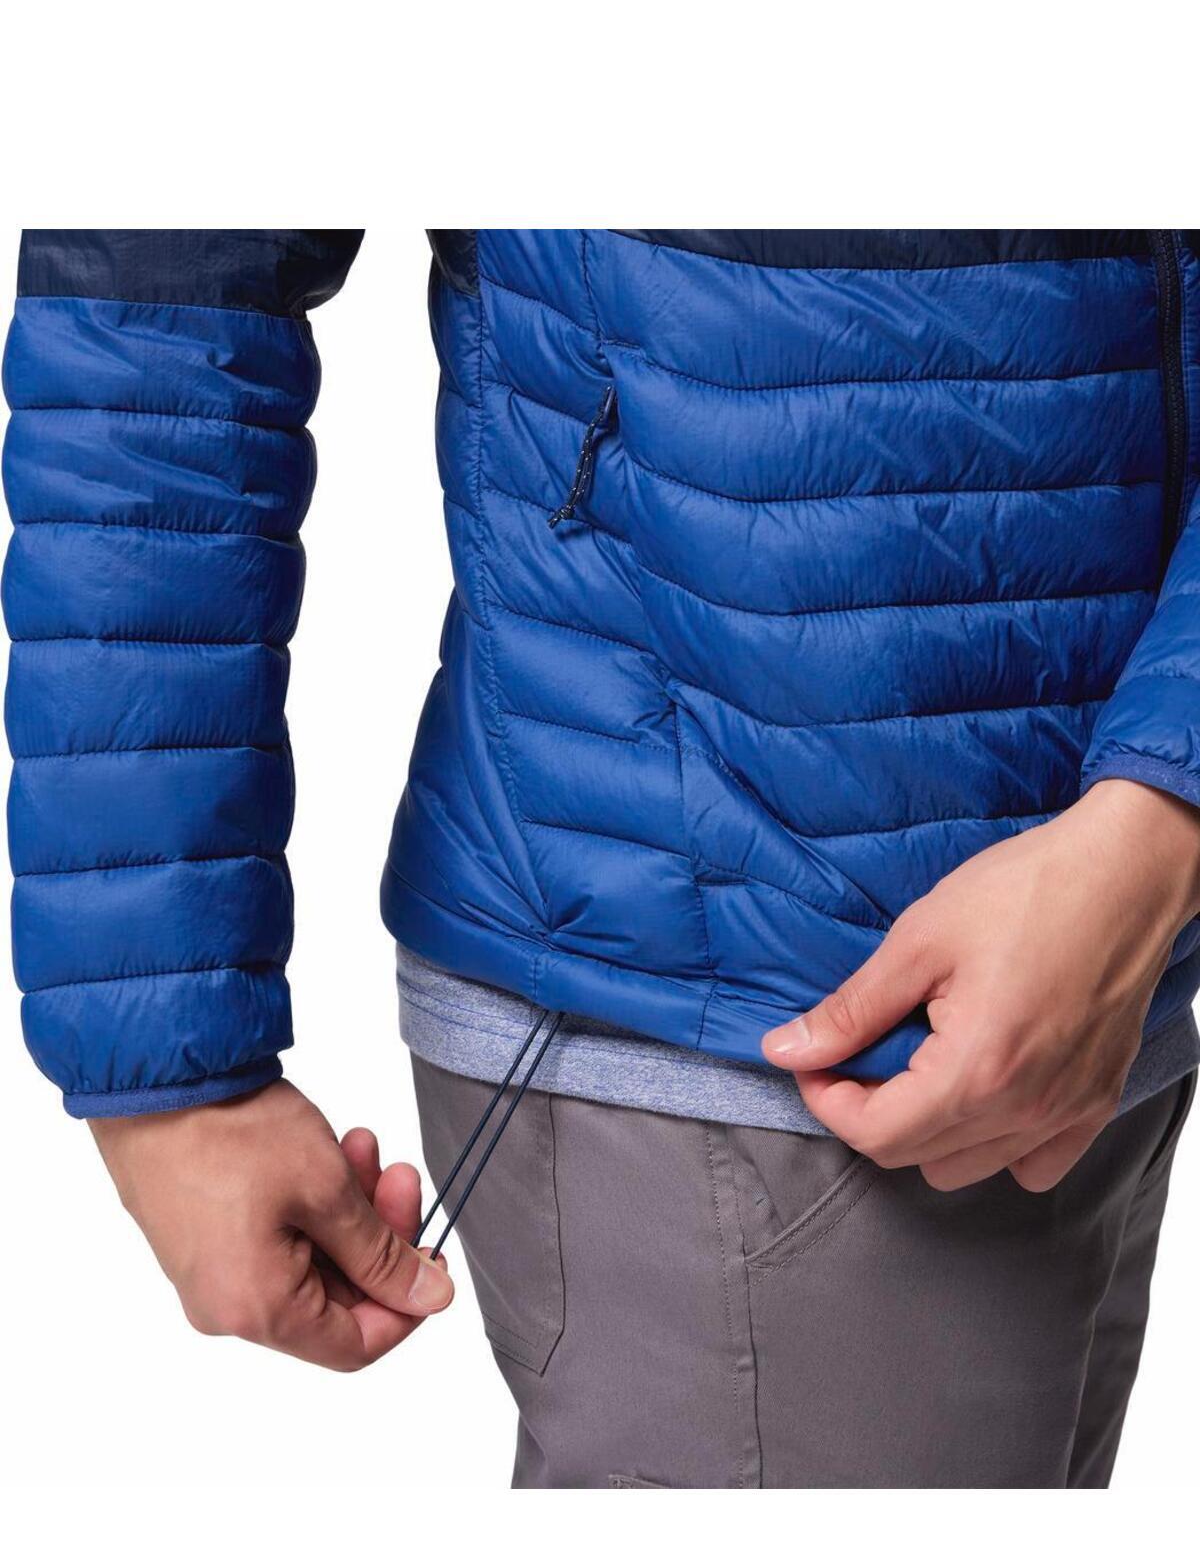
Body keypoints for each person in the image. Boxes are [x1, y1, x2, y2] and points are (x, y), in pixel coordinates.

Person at [5, 228, 1199, 1487]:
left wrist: (1155, 821)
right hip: (731, 1027)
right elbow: (159, 294)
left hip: (1103, 989)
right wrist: (172, 1063)